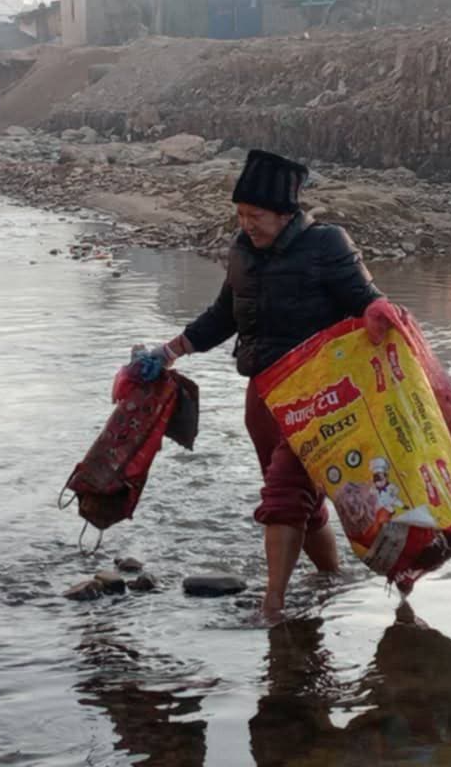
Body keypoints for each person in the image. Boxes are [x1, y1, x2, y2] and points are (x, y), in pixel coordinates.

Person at [140, 149, 403, 615]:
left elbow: (366, 298)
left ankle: (273, 607)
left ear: (285, 213)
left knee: (283, 492)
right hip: (263, 393)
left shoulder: (328, 245)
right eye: (240, 214)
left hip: (320, 398)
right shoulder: (242, 251)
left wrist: (379, 311)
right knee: (300, 500)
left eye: (255, 215)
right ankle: (330, 582)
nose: (246, 224)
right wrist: (170, 351)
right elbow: (224, 315)